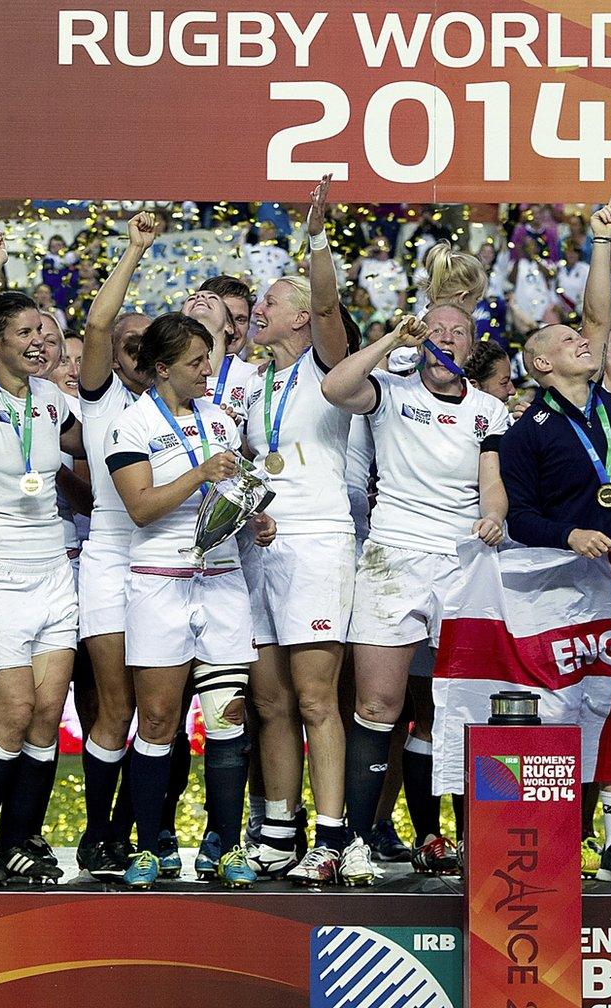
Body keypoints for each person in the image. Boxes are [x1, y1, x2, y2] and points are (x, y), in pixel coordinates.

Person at [498, 196, 611, 885]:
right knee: (562, 712)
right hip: (561, 586)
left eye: (582, 340)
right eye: (564, 342)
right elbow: (520, 519)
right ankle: (562, 840)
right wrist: (569, 532)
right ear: (539, 366)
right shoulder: (525, 433)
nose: (580, 342)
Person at [324, 301, 509, 877]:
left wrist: (494, 516)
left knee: (467, 705)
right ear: (418, 338)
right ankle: (353, 842)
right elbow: (336, 387)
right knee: (377, 705)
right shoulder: (390, 391)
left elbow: (493, 483)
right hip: (394, 557)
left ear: (471, 345)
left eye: (460, 332)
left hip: (464, 562)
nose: (447, 339)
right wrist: (387, 341)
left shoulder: (490, 410)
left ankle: (479, 840)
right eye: (436, 330)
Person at [108, 313, 273, 888]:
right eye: (196, 362)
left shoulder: (224, 420)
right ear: (161, 370)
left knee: (228, 720)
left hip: (222, 579)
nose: (209, 370)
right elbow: (142, 508)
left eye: (210, 359)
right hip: (159, 581)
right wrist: (200, 471)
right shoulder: (130, 426)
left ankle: (227, 847)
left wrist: (258, 518)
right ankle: (151, 844)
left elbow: (236, 492)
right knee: (156, 719)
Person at [0, 228, 85, 887]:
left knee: (46, 715)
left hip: (52, 568)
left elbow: (100, 444)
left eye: (46, 332)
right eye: (26, 331)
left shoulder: (55, 400)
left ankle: (22, 838)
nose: (41, 341)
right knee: (6, 713)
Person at [242, 178, 369, 886]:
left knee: (319, 698)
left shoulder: (326, 363)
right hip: (257, 544)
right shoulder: (253, 378)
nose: (259, 309)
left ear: (299, 321)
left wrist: (316, 239)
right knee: (271, 700)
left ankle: (332, 835)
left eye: (270, 303)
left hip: (318, 542)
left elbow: (326, 301)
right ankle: (281, 827)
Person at [71, 212, 159, 880]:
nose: (129, 347)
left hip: (172, 562)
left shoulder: (183, 409)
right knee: (114, 708)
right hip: (107, 555)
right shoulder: (101, 403)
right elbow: (98, 326)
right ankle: (98, 834)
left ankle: (137, 832)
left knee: (162, 713)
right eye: (126, 341)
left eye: (144, 343)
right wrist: (133, 250)